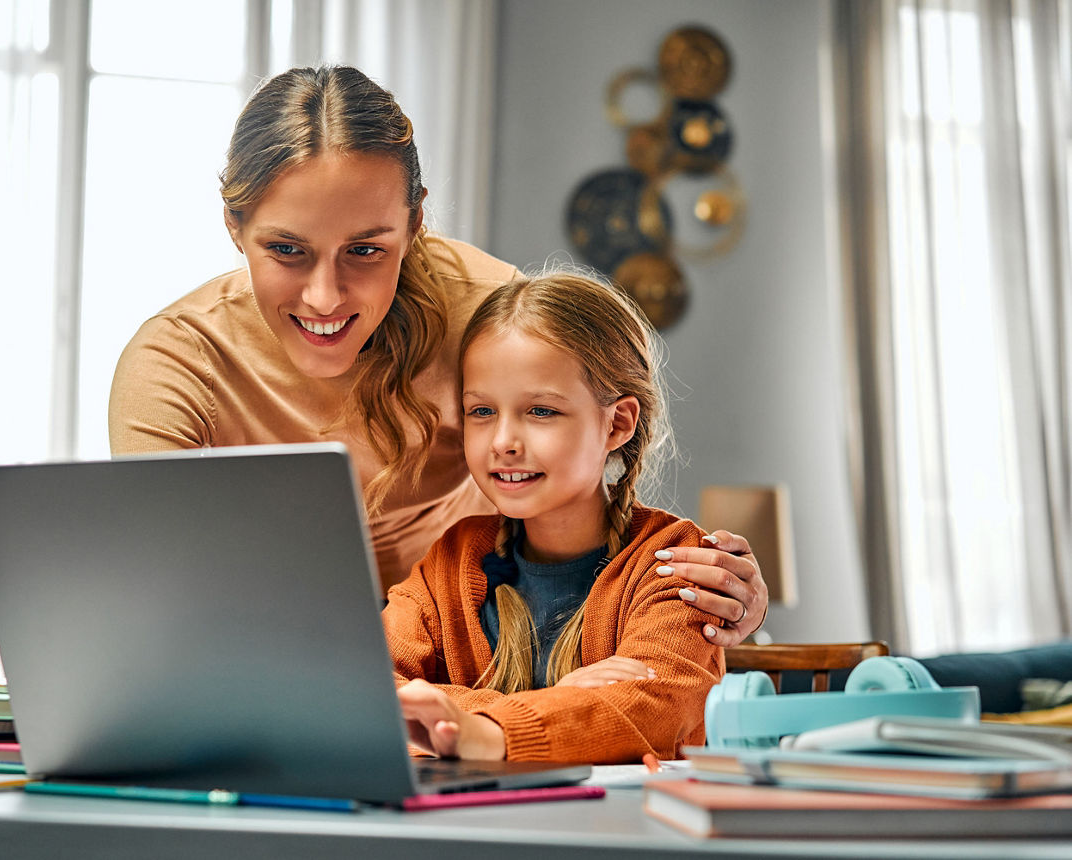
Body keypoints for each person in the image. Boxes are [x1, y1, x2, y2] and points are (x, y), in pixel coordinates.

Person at [108, 64, 766, 645]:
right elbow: (158, 590)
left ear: (415, 222)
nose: (324, 296)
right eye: (286, 250)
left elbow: (578, 494)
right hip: (272, 647)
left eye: (366, 250)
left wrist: (708, 590)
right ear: (234, 226)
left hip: (476, 645)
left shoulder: (493, 316)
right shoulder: (177, 365)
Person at [387, 272, 721, 762]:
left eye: (541, 411)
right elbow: (371, 690)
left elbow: (658, 706)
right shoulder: (451, 562)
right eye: (482, 411)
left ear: (618, 423)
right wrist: (550, 703)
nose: (503, 442)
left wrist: (479, 731)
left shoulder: (675, 563)